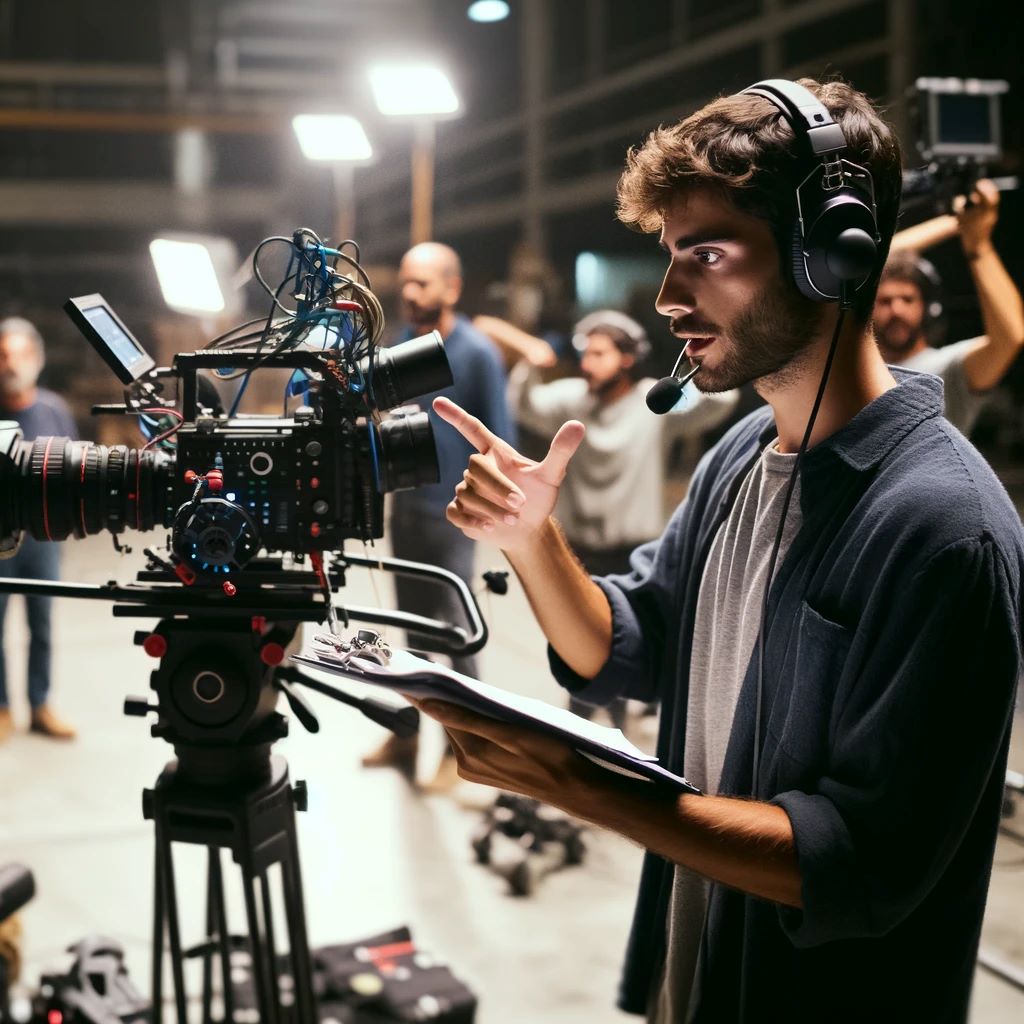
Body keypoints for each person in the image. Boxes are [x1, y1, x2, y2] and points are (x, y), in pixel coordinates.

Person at [412, 78, 1024, 1021]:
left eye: (706, 253)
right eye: (669, 256)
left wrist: (587, 788)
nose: (665, 298)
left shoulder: (945, 528)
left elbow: (862, 861)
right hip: (694, 978)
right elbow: (628, 645)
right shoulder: (743, 453)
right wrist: (532, 540)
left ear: (831, 255)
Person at [475, 309, 737, 728]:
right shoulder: (574, 399)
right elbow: (524, 406)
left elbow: (722, 400)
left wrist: (699, 358)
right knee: (583, 652)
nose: (587, 362)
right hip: (581, 551)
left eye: (600, 353)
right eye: (585, 353)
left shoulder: (657, 401)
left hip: (633, 552)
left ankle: (588, 735)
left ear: (627, 358)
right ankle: (599, 730)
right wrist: (529, 362)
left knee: (621, 655)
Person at [361, 242, 516, 790]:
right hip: (406, 508)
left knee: (455, 636)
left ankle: (466, 753)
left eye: (421, 283)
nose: (408, 292)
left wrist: (491, 510)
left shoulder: (476, 352)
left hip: (456, 517)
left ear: (451, 288)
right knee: (410, 632)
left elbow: (500, 440)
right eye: (404, 281)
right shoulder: (401, 346)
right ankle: (405, 737)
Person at [874, 178, 1024, 435]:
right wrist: (954, 222)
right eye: (885, 301)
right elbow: (866, 261)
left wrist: (978, 243)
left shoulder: (947, 370)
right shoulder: (857, 372)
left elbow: (1009, 337)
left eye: (907, 299)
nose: (896, 310)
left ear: (929, 307)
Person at [0, 317, 78, 742]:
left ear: (36, 357)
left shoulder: (54, 409)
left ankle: (40, 705)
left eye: (19, 353)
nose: (11, 363)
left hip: (43, 540)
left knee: (42, 626)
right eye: (2, 354)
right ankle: (2, 710)